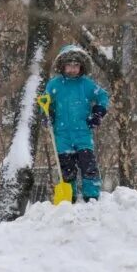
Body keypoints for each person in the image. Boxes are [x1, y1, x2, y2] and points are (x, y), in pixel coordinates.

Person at [40, 44, 110, 201]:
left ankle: (91, 196)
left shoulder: (87, 84)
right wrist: (47, 115)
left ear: (81, 66)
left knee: (88, 166)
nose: (72, 69)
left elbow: (103, 96)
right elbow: (45, 102)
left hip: (82, 133)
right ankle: (69, 196)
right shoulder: (54, 85)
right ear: (62, 66)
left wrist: (97, 113)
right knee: (66, 168)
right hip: (62, 134)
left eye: (76, 65)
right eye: (69, 65)